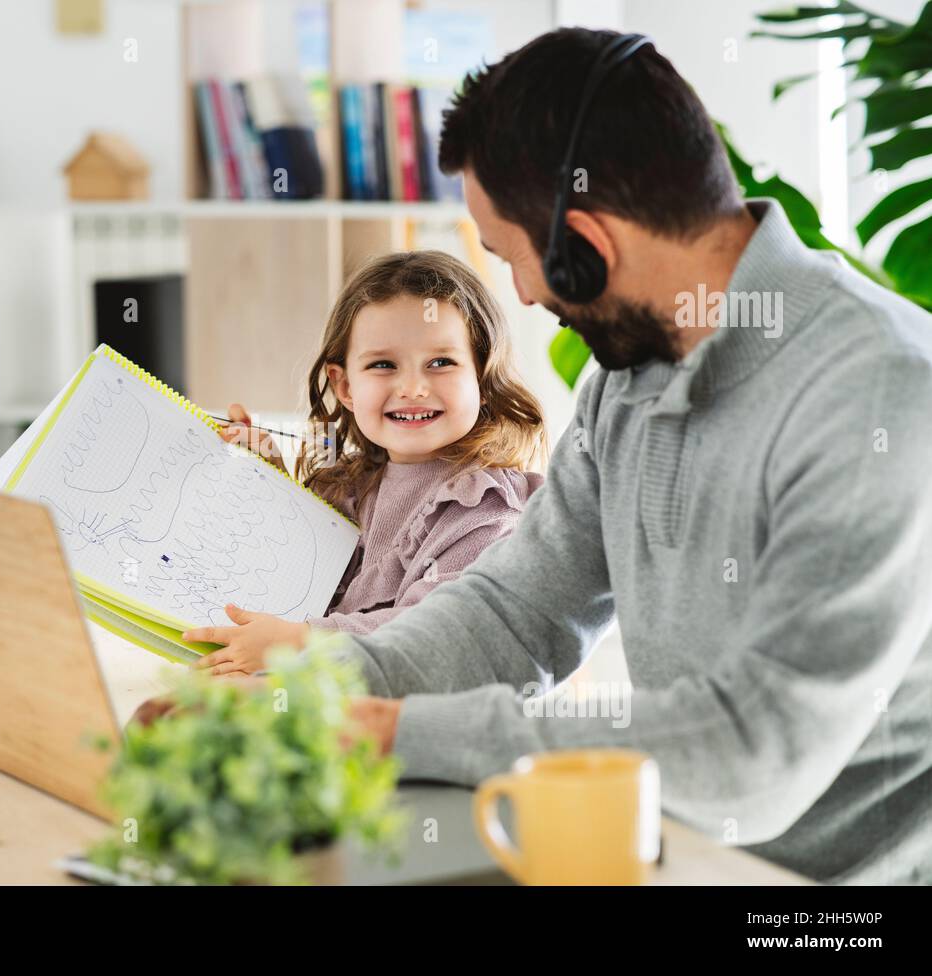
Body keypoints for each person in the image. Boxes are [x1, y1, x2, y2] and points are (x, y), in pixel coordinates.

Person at [319, 27, 932, 885]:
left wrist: (402, 732)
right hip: (672, 854)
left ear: (585, 242)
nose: (524, 295)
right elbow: (514, 613)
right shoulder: (630, 375)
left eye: (511, 259)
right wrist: (325, 687)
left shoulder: (881, 392)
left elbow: (749, 754)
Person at [184, 250, 545, 676]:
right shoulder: (350, 486)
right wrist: (267, 480)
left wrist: (301, 643)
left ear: (483, 378)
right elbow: (304, 577)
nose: (412, 387)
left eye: (441, 362)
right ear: (345, 386)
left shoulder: (484, 507)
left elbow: (435, 632)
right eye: (383, 365)